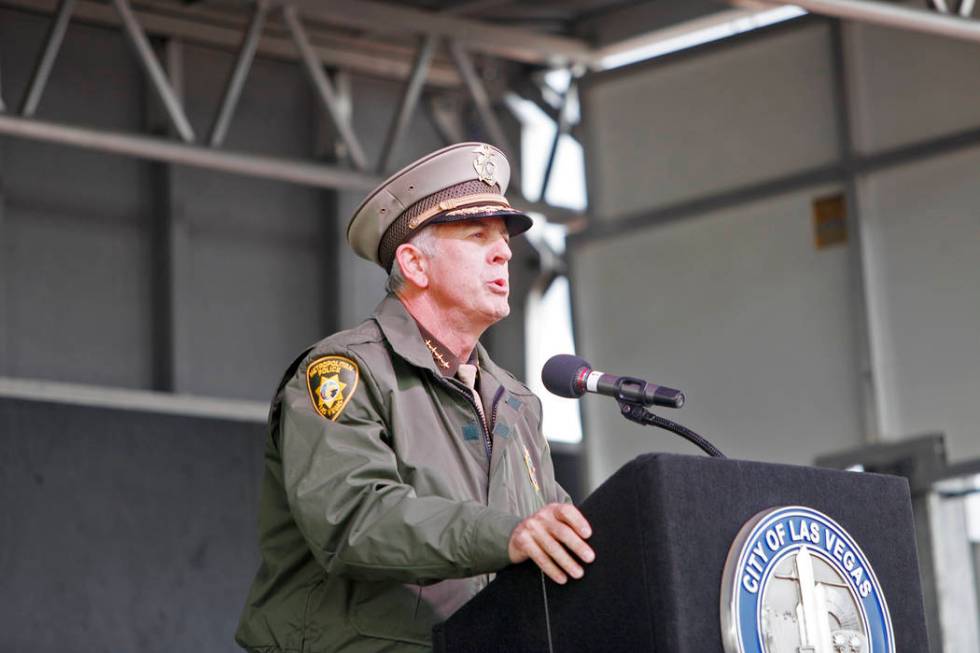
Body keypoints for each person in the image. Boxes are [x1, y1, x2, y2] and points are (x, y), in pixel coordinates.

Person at [235, 142, 594, 652]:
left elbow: (554, 535)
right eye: (478, 235)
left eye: (504, 239)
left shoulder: (515, 401)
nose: (505, 252)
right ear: (415, 264)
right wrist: (506, 536)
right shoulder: (345, 371)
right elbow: (353, 518)